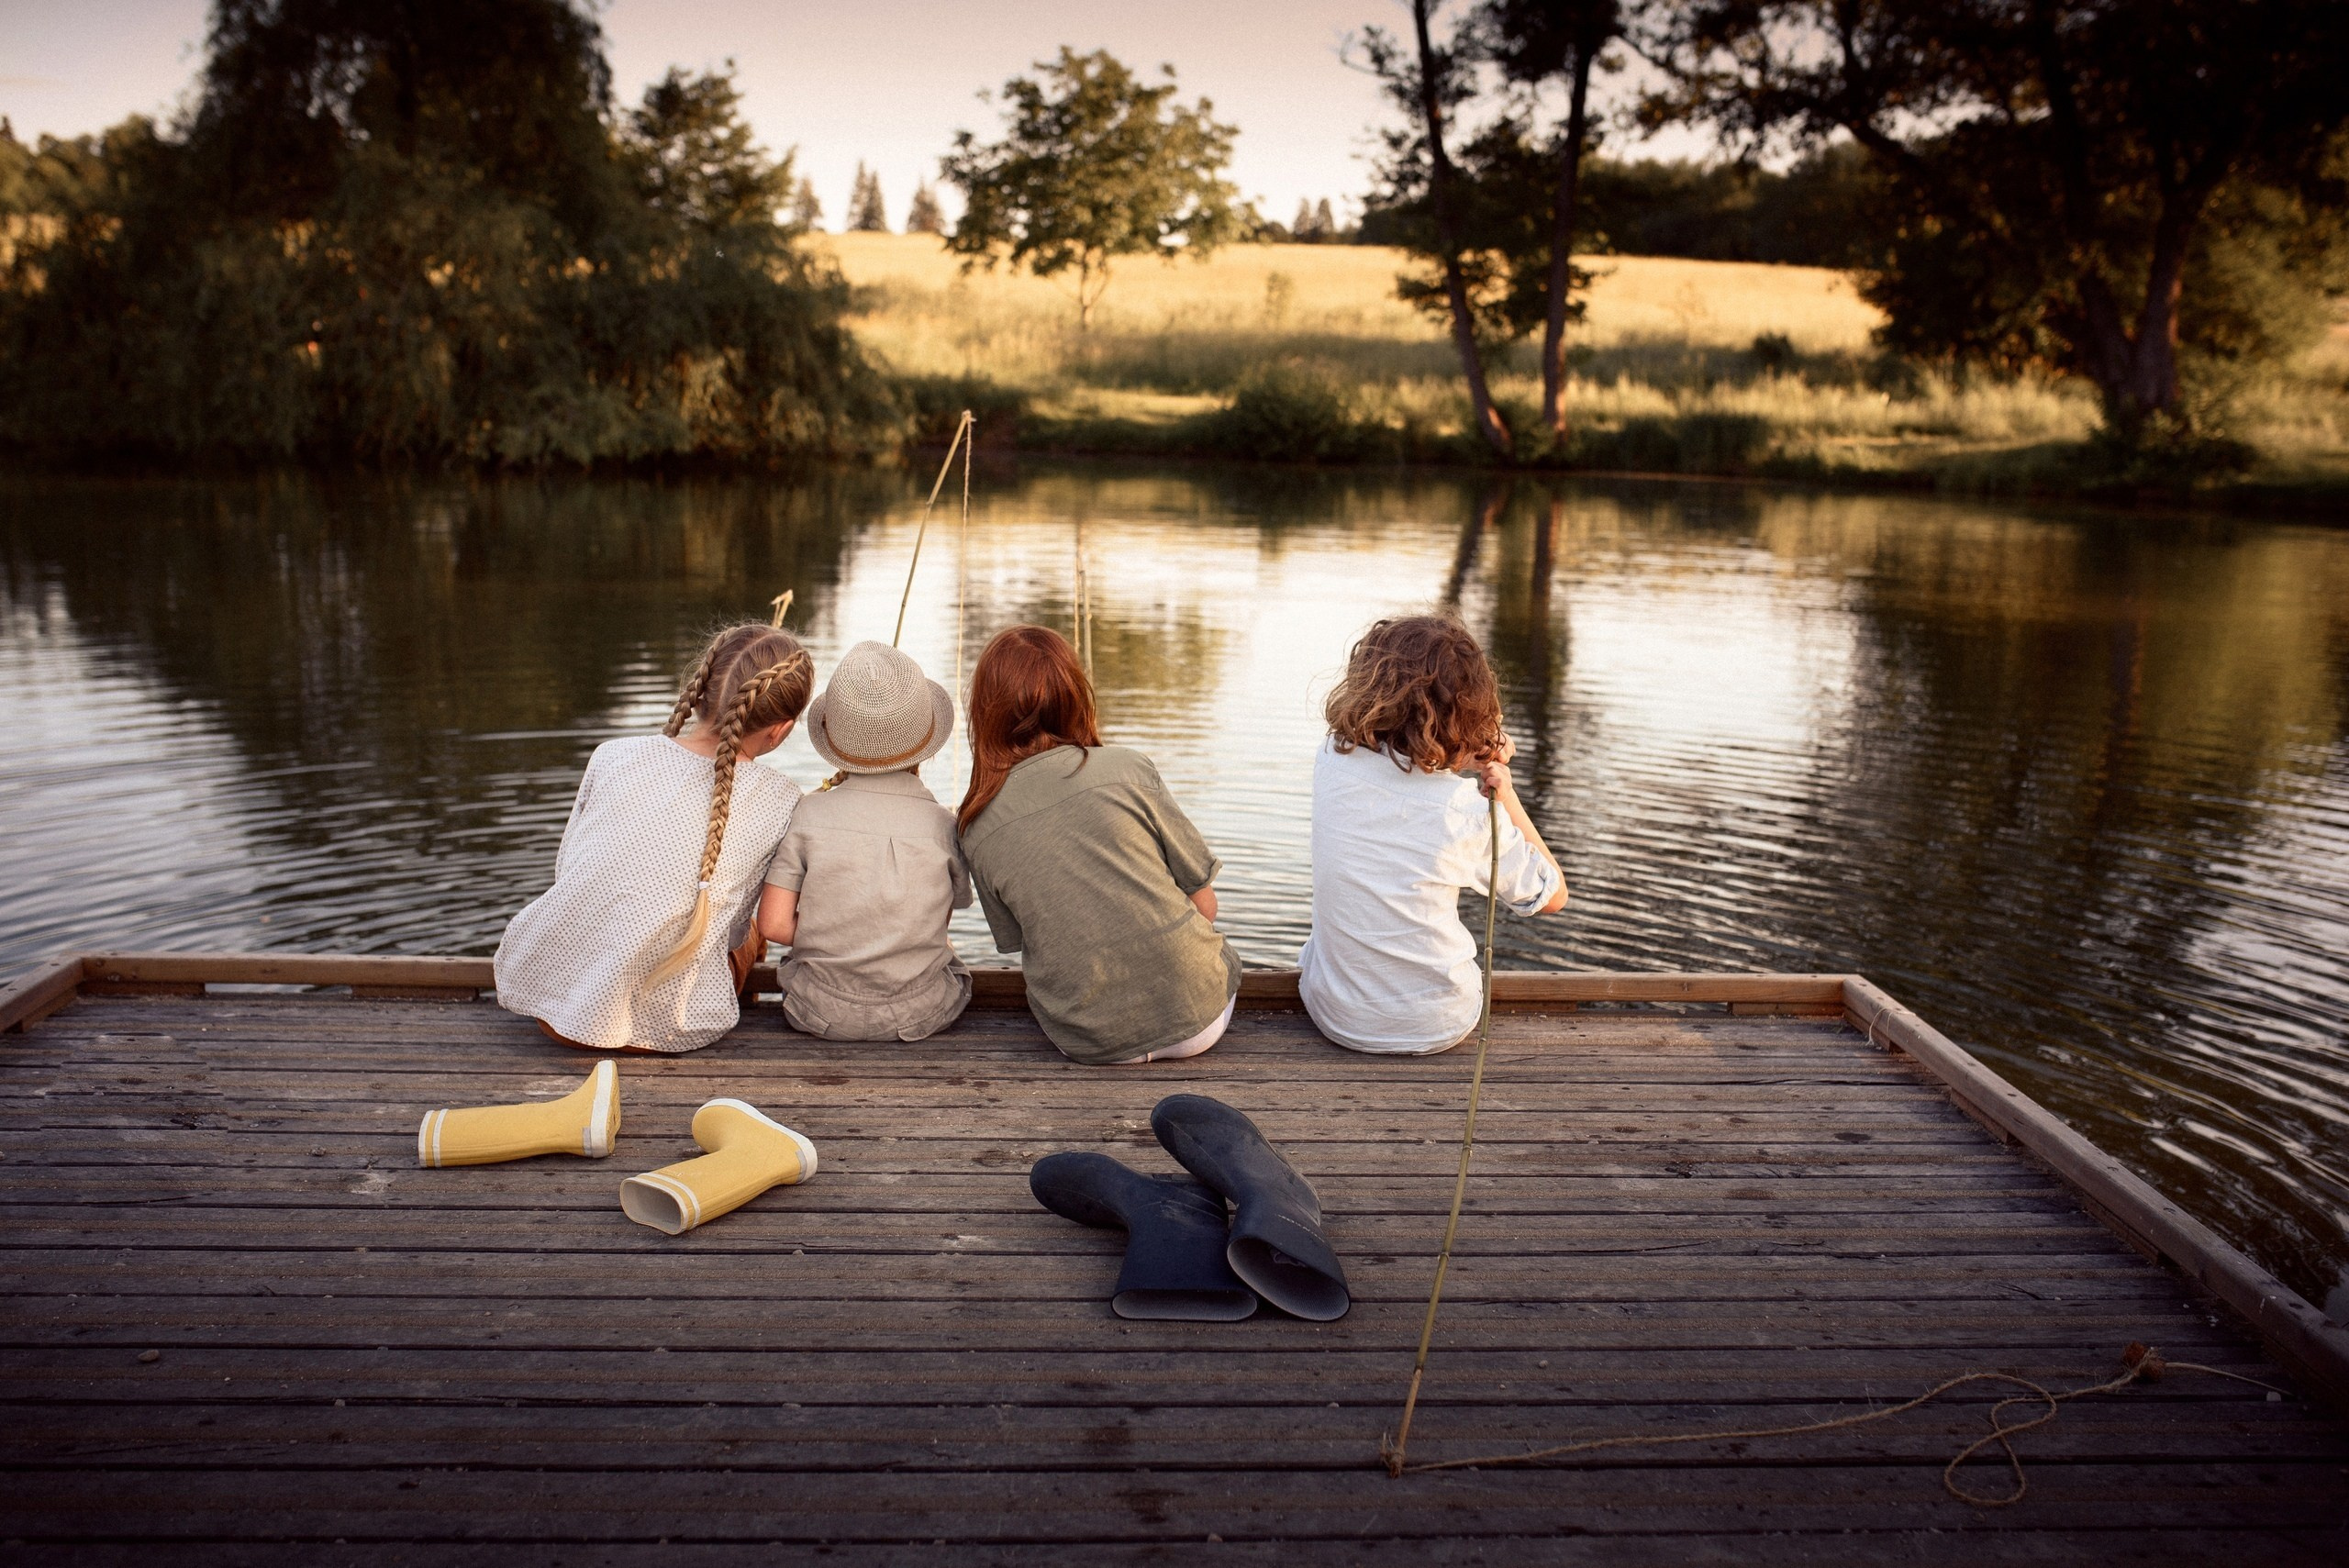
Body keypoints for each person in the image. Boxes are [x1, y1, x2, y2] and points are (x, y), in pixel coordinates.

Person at [494, 624, 814, 1052]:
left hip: (555, 1010)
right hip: (669, 1029)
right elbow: (734, 931)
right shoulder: (781, 799)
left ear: (701, 690)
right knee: (750, 931)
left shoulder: (613, 755)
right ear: (780, 729)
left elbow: (569, 870)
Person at [956, 625, 1240, 1065]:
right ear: (1075, 694)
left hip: (1088, 1043)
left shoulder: (974, 825)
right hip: (1201, 1022)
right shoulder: (1129, 768)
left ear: (984, 712)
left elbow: (1028, 942)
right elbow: (1205, 904)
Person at [1298, 615, 1567, 1054]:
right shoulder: (1466, 811)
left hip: (1335, 1015)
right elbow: (1552, 897)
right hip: (1436, 1023)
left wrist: (1460, 754)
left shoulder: (1331, 758)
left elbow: (1403, 784)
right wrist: (1505, 791)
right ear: (1470, 707)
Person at [759, 640, 973, 1041]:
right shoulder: (944, 825)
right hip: (920, 1014)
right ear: (924, 739)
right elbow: (937, 922)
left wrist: (834, 936)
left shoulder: (809, 812)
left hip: (818, 1012)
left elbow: (772, 924)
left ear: (835, 738)